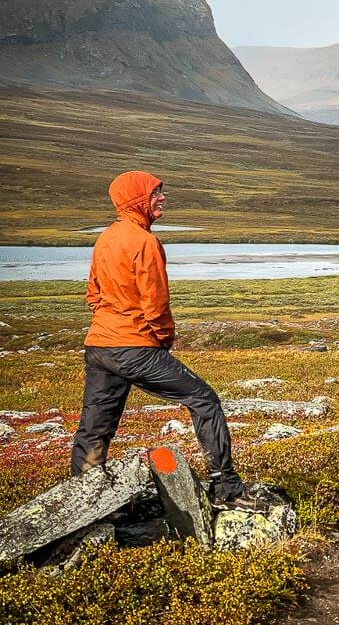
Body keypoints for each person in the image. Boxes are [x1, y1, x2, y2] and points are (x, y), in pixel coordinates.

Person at [71, 170, 259, 510]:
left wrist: (112, 322)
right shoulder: (145, 243)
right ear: (137, 200)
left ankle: (81, 503)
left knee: (94, 427)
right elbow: (155, 304)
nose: (162, 198)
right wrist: (162, 338)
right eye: (156, 193)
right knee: (204, 400)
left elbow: (93, 294)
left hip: (99, 345)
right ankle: (226, 487)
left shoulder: (107, 238)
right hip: (136, 346)